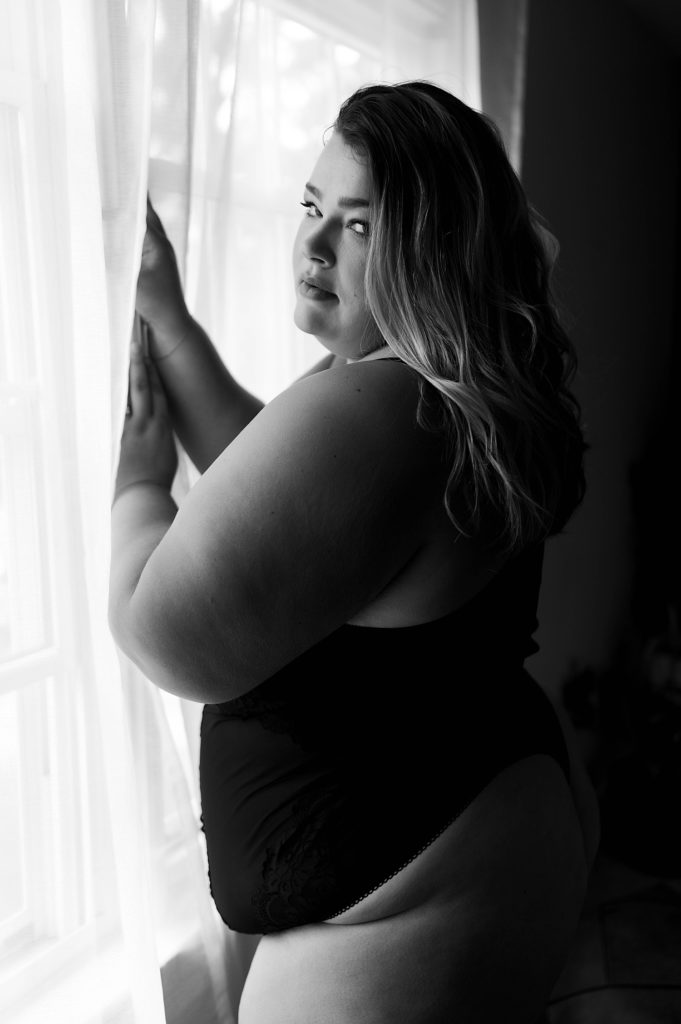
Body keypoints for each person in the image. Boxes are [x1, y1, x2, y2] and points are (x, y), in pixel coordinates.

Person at [109, 80, 600, 1024]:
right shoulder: (435, 388)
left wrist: (137, 487)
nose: (314, 242)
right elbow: (294, 515)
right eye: (309, 206)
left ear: (432, 247)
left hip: (415, 910)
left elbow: (161, 631)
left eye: (360, 224)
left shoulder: (392, 405)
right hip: (487, 837)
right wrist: (169, 327)